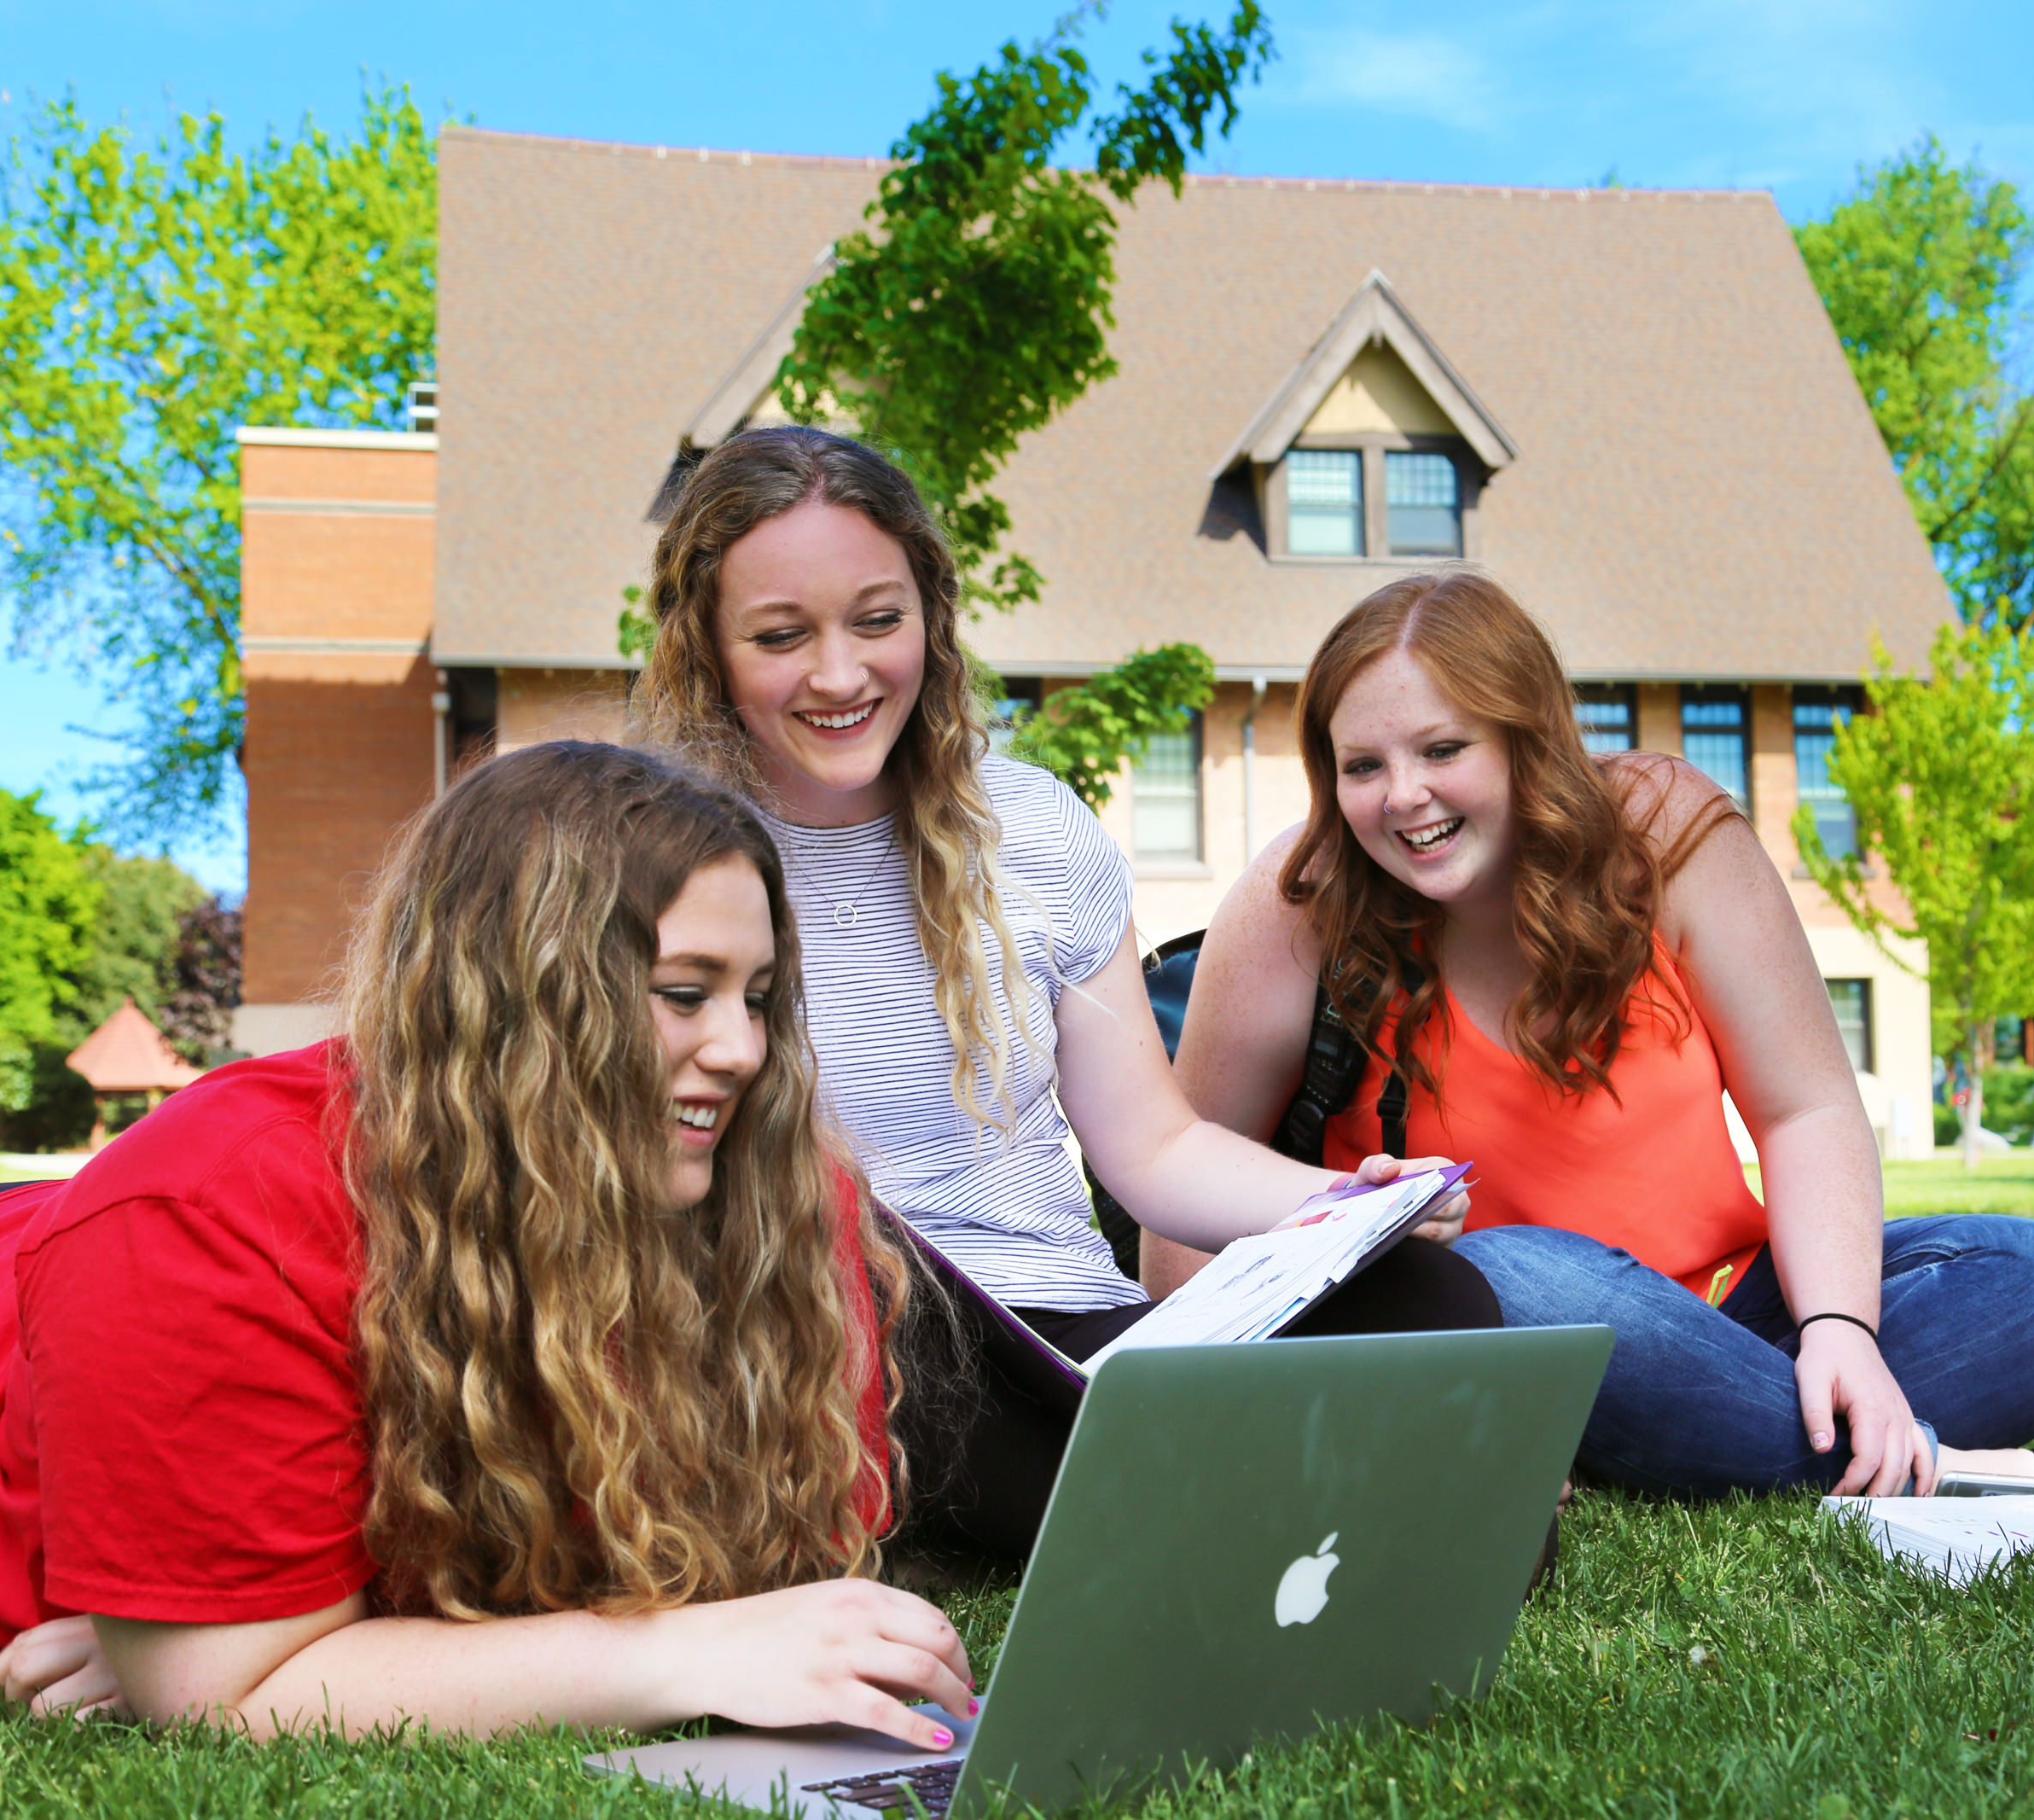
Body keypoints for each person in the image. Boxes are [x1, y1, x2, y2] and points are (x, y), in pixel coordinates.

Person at [0, 742, 975, 1747]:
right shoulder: (203, 1213)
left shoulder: (784, 1196)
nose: (743, 1051)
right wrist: (222, 1650)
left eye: (757, 999)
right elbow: (233, 1696)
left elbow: (790, 1575)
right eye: (683, 994)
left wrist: (343, 1645)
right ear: (516, 997)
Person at [1160, 570, 2034, 1501]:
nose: (1404, 799)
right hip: (1475, 1334)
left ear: (1528, 742)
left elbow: (1804, 1107)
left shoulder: (1664, 837)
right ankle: (1987, 1473)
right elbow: (1176, 1234)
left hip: (1727, 1324)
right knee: (1524, 1278)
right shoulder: (1297, 903)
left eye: (1444, 748)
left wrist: (1839, 1335)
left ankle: (1701, 1444)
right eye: (1361, 767)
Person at [631, 428, 1499, 1561]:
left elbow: (1152, 1152)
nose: (840, 675)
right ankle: (1321, 1510)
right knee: (901, 1344)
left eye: (878, 621)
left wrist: (1342, 1206)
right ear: (709, 645)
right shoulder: (647, 857)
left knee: (1435, 1301)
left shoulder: (1032, 828)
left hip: (1065, 1338)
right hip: (822, 1341)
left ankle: (1200, 1491)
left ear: (933, 620)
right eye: (782, 636)